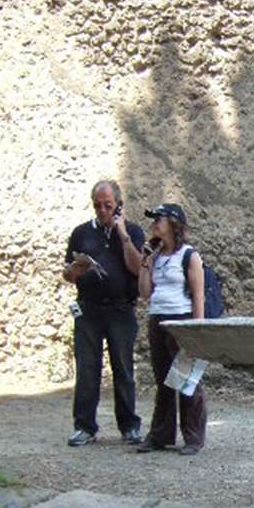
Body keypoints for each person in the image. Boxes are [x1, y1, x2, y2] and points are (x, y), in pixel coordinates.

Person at [63, 179, 145, 446]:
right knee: (87, 369)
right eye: (97, 206)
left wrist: (122, 234)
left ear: (118, 206)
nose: (102, 211)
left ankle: (129, 425)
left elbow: (137, 269)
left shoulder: (132, 231)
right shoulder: (81, 233)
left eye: (108, 206)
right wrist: (73, 272)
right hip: (89, 311)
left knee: (123, 368)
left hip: (121, 309)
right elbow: (67, 273)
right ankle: (85, 426)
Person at [136, 203, 207, 455]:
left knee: (186, 379)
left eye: (159, 218)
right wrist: (145, 261)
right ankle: (160, 435)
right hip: (158, 318)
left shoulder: (189, 255)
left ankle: (193, 437)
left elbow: (199, 296)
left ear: (174, 224)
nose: (154, 223)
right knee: (163, 380)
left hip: (182, 319)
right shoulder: (155, 256)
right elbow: (144, 293)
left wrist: (197, 332)